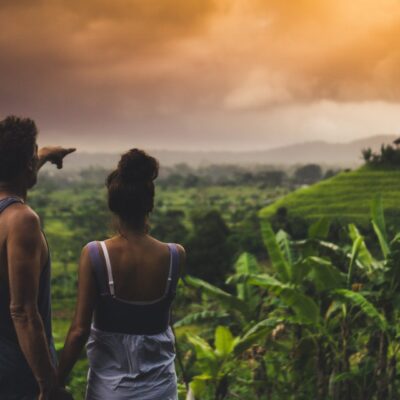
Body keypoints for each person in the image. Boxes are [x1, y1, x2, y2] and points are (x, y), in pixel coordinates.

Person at [57, 148, 186, 399]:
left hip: (109, 390)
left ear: (113, 205)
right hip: (162, 388)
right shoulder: (175, 255)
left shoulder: (95, 254)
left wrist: (53, 383)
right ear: (150, 203)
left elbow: (79, 330)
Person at [0, 115, 75, 400]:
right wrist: (48, 386)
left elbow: (13, 173)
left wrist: (42, 155)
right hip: (19, 371)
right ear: (27, 165)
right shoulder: (22, 221)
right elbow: (23, 312)